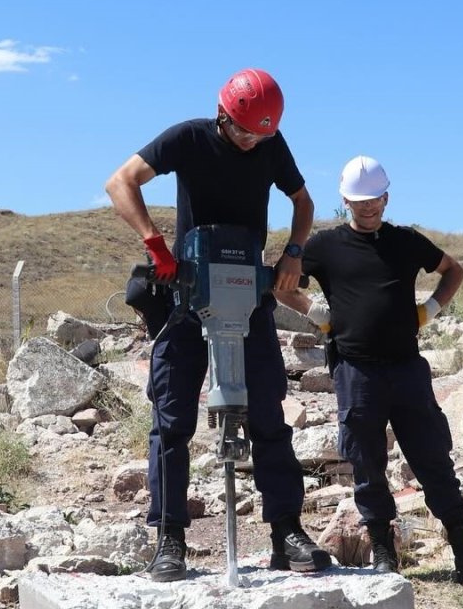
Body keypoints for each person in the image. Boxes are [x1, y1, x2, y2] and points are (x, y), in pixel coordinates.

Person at [103, 68, 330, 582]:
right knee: (173, 421)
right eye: (246, 131)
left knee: (269, 414)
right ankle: (170, 539)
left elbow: (303, 200)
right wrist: (154, 242)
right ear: (224, 115)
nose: (254, 142)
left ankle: (286, 533)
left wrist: (293, 251)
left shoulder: (271, 144)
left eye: (262, 134)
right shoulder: (187, 138)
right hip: (187, 294)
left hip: (248, 294)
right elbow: (120, 182)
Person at [276, 155, 463, 583]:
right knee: (367, 465)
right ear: (345, 201)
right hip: (356, 372)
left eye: (374, 199)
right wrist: (315, 311)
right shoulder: (325, 247)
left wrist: (429, 310)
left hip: (407, 369)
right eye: (359, 201)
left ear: (386, 197)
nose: (368, 207)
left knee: (433, 460)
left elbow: (453, 270)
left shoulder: (407, 241)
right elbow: (281, 280)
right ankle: (383, 558)